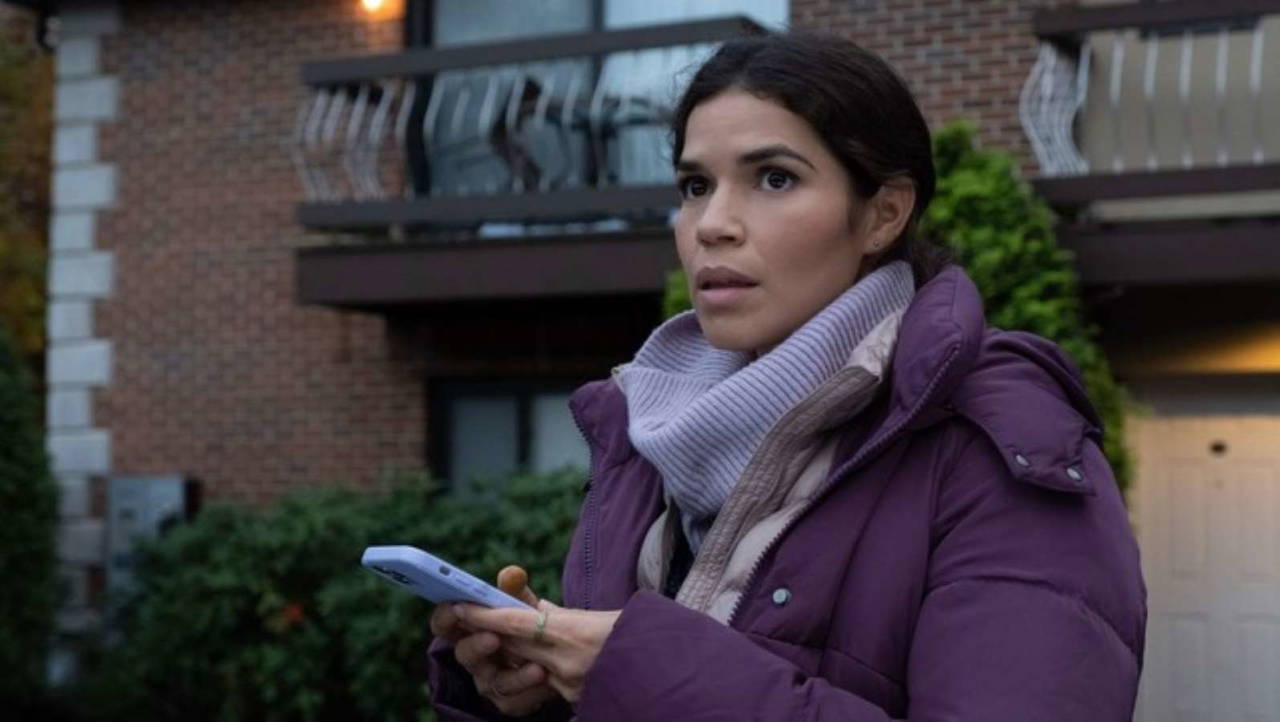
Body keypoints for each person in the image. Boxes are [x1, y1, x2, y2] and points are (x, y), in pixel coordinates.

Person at [426, 32, 1146, 721]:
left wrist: (639, 670)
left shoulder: (1000, 442)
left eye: (774, 178)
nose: (712, 223)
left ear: (884, 214)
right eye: (695, 185)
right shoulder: (646, 431)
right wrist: (537, 690)